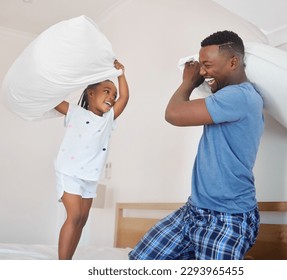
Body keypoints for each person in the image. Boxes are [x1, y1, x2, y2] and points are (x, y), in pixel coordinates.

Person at [129, 31, 264, 260]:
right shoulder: (228, 97)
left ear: (233, 62)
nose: (202, 72)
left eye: (208, 65)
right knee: (139, 261)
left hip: (228, 217)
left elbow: (174, 114)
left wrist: (188, 82)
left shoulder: (239, 96)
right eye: (200, 66)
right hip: (193, 211)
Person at [54, 60, 129, 260]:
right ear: (91, 93)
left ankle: (68, 258)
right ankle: (62, 264)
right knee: (75, 215)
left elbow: (125, 97)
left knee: (83, 219)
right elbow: (51, 99)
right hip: (69, 171)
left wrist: (121, 74)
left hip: (90, 175)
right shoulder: (75, 112)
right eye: (106, 91)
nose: (112, 97)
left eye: (113, 95)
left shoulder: (108, 119)